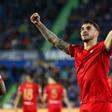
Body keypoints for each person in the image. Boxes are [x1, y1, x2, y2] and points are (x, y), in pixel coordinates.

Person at [30, 12, 112, 112]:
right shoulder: (77, 50)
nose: (84, 30)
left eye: (88, 28)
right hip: (84, 103)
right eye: (82, 29)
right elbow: (54, 40)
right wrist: (39, 24)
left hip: (101, 102)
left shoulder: (102, 48)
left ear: (97, 33)